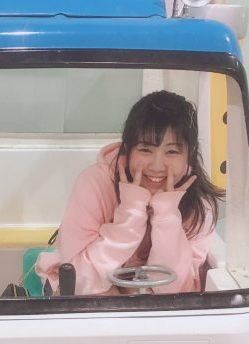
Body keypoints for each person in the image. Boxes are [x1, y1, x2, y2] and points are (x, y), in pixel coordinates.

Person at [35, 90, 224, 296]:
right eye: (145, 150)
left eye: (172, 152)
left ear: (190, 156)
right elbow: (78, 281)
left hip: (148, 298)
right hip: (84, 290)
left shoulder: (200, 206)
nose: (157, 166)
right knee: (108, 301)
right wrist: (131, 212)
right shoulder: (94, 183)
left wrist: (167, 215)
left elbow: (176, 292)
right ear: (127, 150)